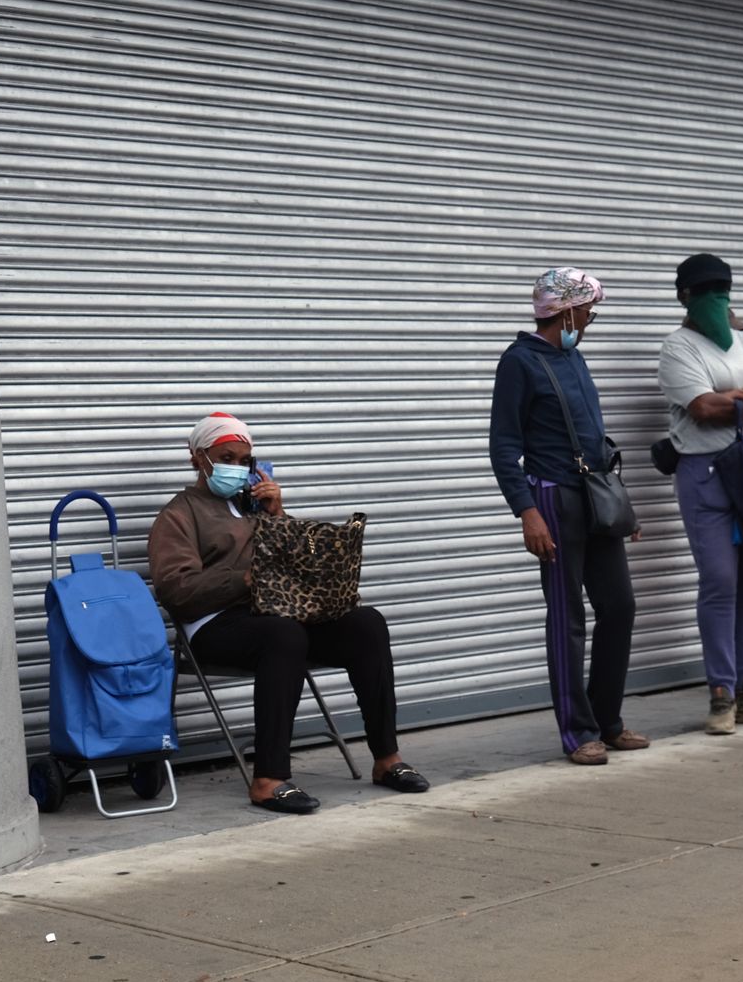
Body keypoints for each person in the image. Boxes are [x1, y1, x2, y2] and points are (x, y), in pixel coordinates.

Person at [147, 413, 429, 814]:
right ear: (198, 459)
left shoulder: (256, 507)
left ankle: (387, 760)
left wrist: (278, 515)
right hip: (217, 626)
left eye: (244, 460)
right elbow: (177, 591)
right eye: (226, 457)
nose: (236, 467)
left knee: (367, 625)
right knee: (284, 635)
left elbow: (303, 566)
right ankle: (268, 779)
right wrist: (244, 578)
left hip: (281, 616)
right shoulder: (178, 515)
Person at [488, 268, 648, 766]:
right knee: (568, 619)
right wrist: (527, 512)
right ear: (566, 311)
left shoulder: (573, 358)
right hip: (554, 502)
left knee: (619, 607)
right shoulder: (519, 363)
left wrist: (622, 507)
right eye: (589, 310)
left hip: (596, 500)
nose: (592, 319)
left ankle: (607, 720)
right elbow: (503, 447)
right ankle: (578, 733)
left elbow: (595, 437)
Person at [655, 253, 743, 736]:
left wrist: (742, 399)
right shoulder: (679, 348)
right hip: (706, 472)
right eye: (707, 289)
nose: (718, 296)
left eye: (724, 287)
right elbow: (704, 409)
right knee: (720, 579)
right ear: (685, 297)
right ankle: (720, 694)